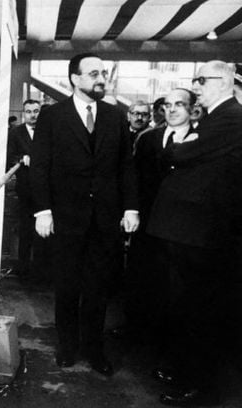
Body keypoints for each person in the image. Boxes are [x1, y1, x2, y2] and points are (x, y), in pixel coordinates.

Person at [29, 52, 139, 376]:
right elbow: (40, 167)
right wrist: (43, 211)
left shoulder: (115, 116)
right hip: (66, 218)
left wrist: (130, 207)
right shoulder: (52, 116)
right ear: (74, 79)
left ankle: (94, 348)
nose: (101, 79)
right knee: (66, 286)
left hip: (105, 220)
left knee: (98, 288)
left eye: (103, 73)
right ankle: (67, 346)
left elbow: (126, 167)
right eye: (93, 74)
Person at [147, 61, 242, 406]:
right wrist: (188, 146)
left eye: (202, 80)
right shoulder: (216, 118)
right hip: (192, 230)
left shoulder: (231, 117)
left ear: (225, 82)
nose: (196, 85)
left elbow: (182, 152)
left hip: (203, 232)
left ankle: (201, 386)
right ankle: (188, 371)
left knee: (199, 311)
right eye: (196, 79)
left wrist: (183, 148)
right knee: (186, 306)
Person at [114, 88, 195, 347]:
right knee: (139, 277)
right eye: (168, 105)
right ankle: (134, 329)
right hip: (147, 222)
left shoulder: (201, 140)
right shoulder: (149, 139)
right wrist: (131, 210)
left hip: (181, 227)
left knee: (173, 285)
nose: (171, 110)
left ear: (192, 110)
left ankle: (167, 340)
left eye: (179, 105)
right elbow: (134, 178)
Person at [7, 99, 40, 278]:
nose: (33, 115)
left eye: (36, 111)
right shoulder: (16, 132)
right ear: (23, 114)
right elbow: (10, 155)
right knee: (26, 226)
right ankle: (24, 266)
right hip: (26, 187)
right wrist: (21, 159)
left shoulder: (46, 131)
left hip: (44, 188)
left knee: (44, 228)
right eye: (29, 111)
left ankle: (41, 267)